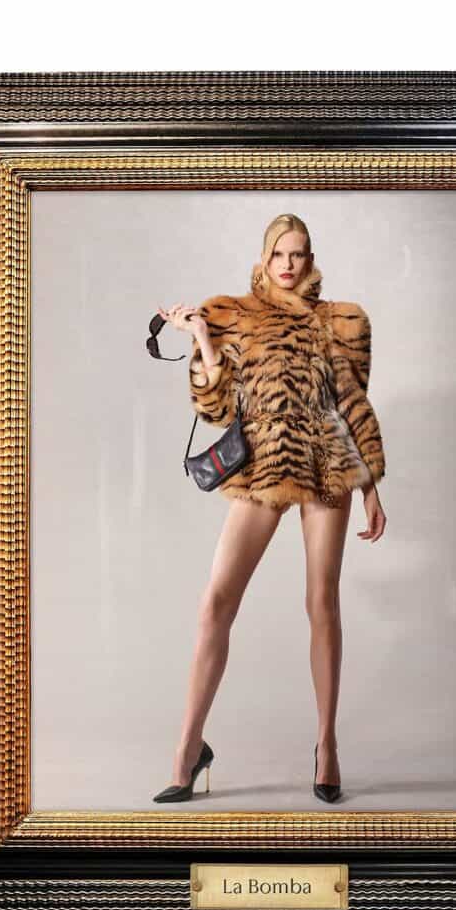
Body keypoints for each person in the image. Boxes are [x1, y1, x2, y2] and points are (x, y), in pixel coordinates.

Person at [153, 213, 387, 804]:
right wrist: (202, 339)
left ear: (311, 259)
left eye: (298, 253)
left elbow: (353, 402)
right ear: (264, 258)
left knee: (321, 602)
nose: (288, 264)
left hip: (327, 466)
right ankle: (188, 748)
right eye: (279, 253)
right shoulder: (232, 315)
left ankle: (327, 746)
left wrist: (370, 485)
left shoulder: (342, 322)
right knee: (216, 603)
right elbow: (214, 410)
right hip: (261, 465)